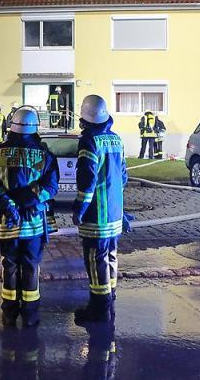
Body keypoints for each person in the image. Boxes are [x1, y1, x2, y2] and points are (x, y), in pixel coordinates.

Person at [0, 107, 59, 327]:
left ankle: (9, 313)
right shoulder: (45, 154)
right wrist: (26, 200)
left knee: (10, 266)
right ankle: (31, 314)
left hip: (8, 221)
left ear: (12, 126)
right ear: (36, 127)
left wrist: (8, 203)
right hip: (34, 223)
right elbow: (50, 187)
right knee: (31, 266)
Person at [73, 94, 127, 324]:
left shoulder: (89, 142)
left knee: (96, 261)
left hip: (97, 214)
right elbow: (123, 175)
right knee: (110, 257)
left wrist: (80, 209)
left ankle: (99, 309)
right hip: (115, 213)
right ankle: (110, 298)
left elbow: (87, 181)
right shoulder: (116, 139)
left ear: (85, 119)